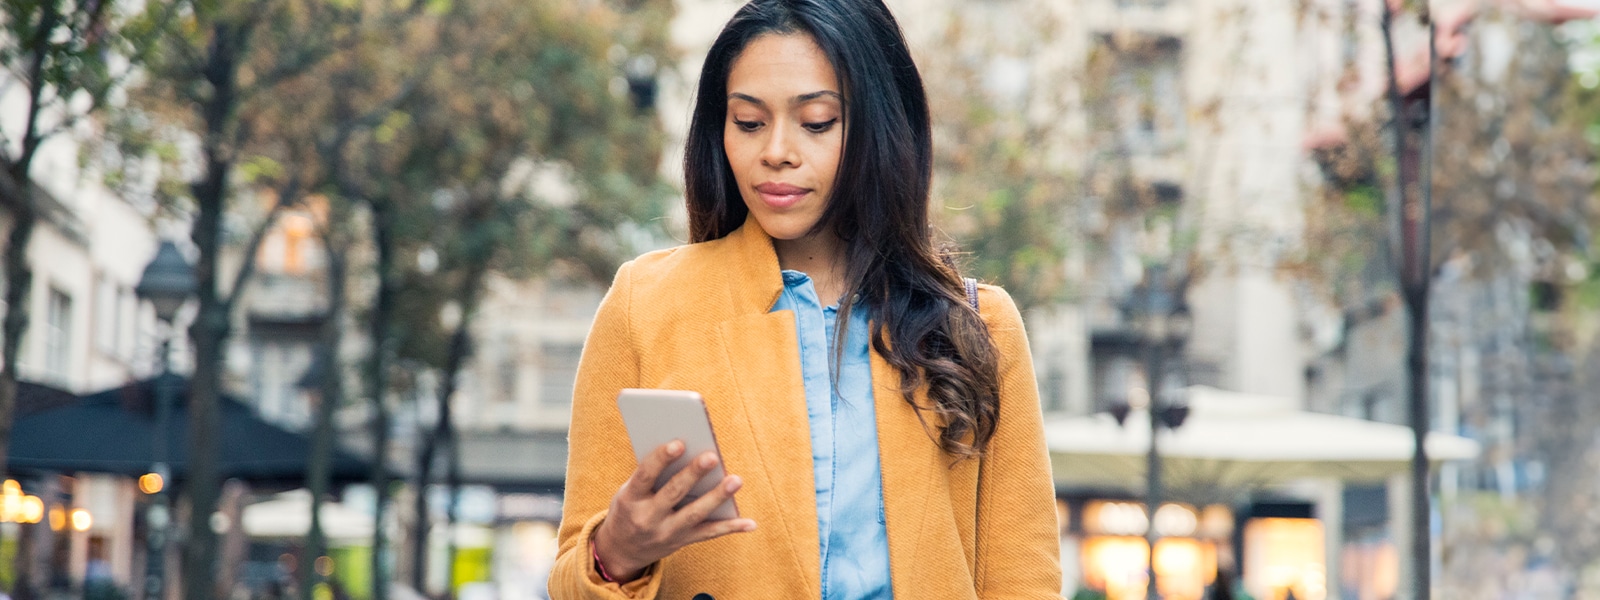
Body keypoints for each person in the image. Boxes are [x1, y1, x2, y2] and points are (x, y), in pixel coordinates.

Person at [548, 0, 1061, 597]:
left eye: (816, 122)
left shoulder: (979, 326)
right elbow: (570, 581)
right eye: (748, 122)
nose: (776, 151)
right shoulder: (647, 305)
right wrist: (617, 552)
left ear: (881, 128)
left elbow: (1023, 582)